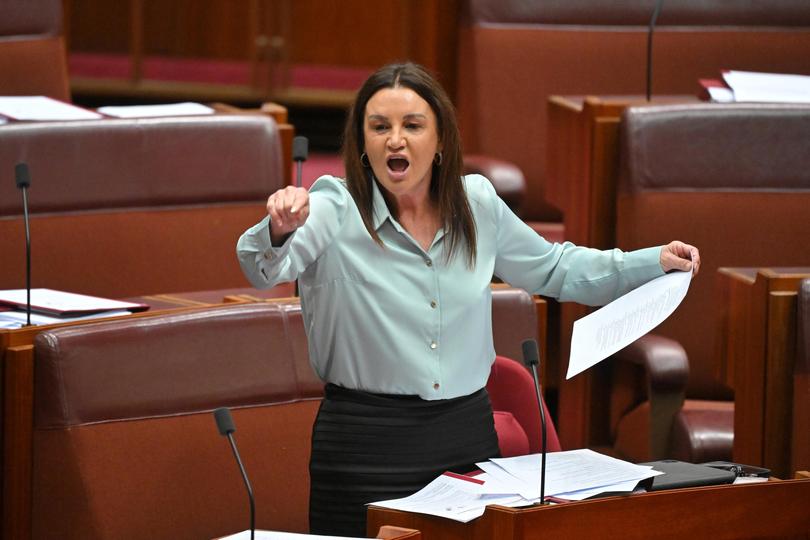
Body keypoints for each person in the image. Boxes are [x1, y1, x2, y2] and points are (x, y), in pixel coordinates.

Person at [237, 62, 700, 536]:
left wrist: (651, 262)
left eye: (412, 126)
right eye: (379, 127)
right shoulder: (334, 207)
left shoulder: (476, 204)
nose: (395, 139)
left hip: (464, 436)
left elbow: (557, 268)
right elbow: (262, 267)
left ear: (440, 143)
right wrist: (278, 228)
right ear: (362, 145)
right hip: (365, 443)